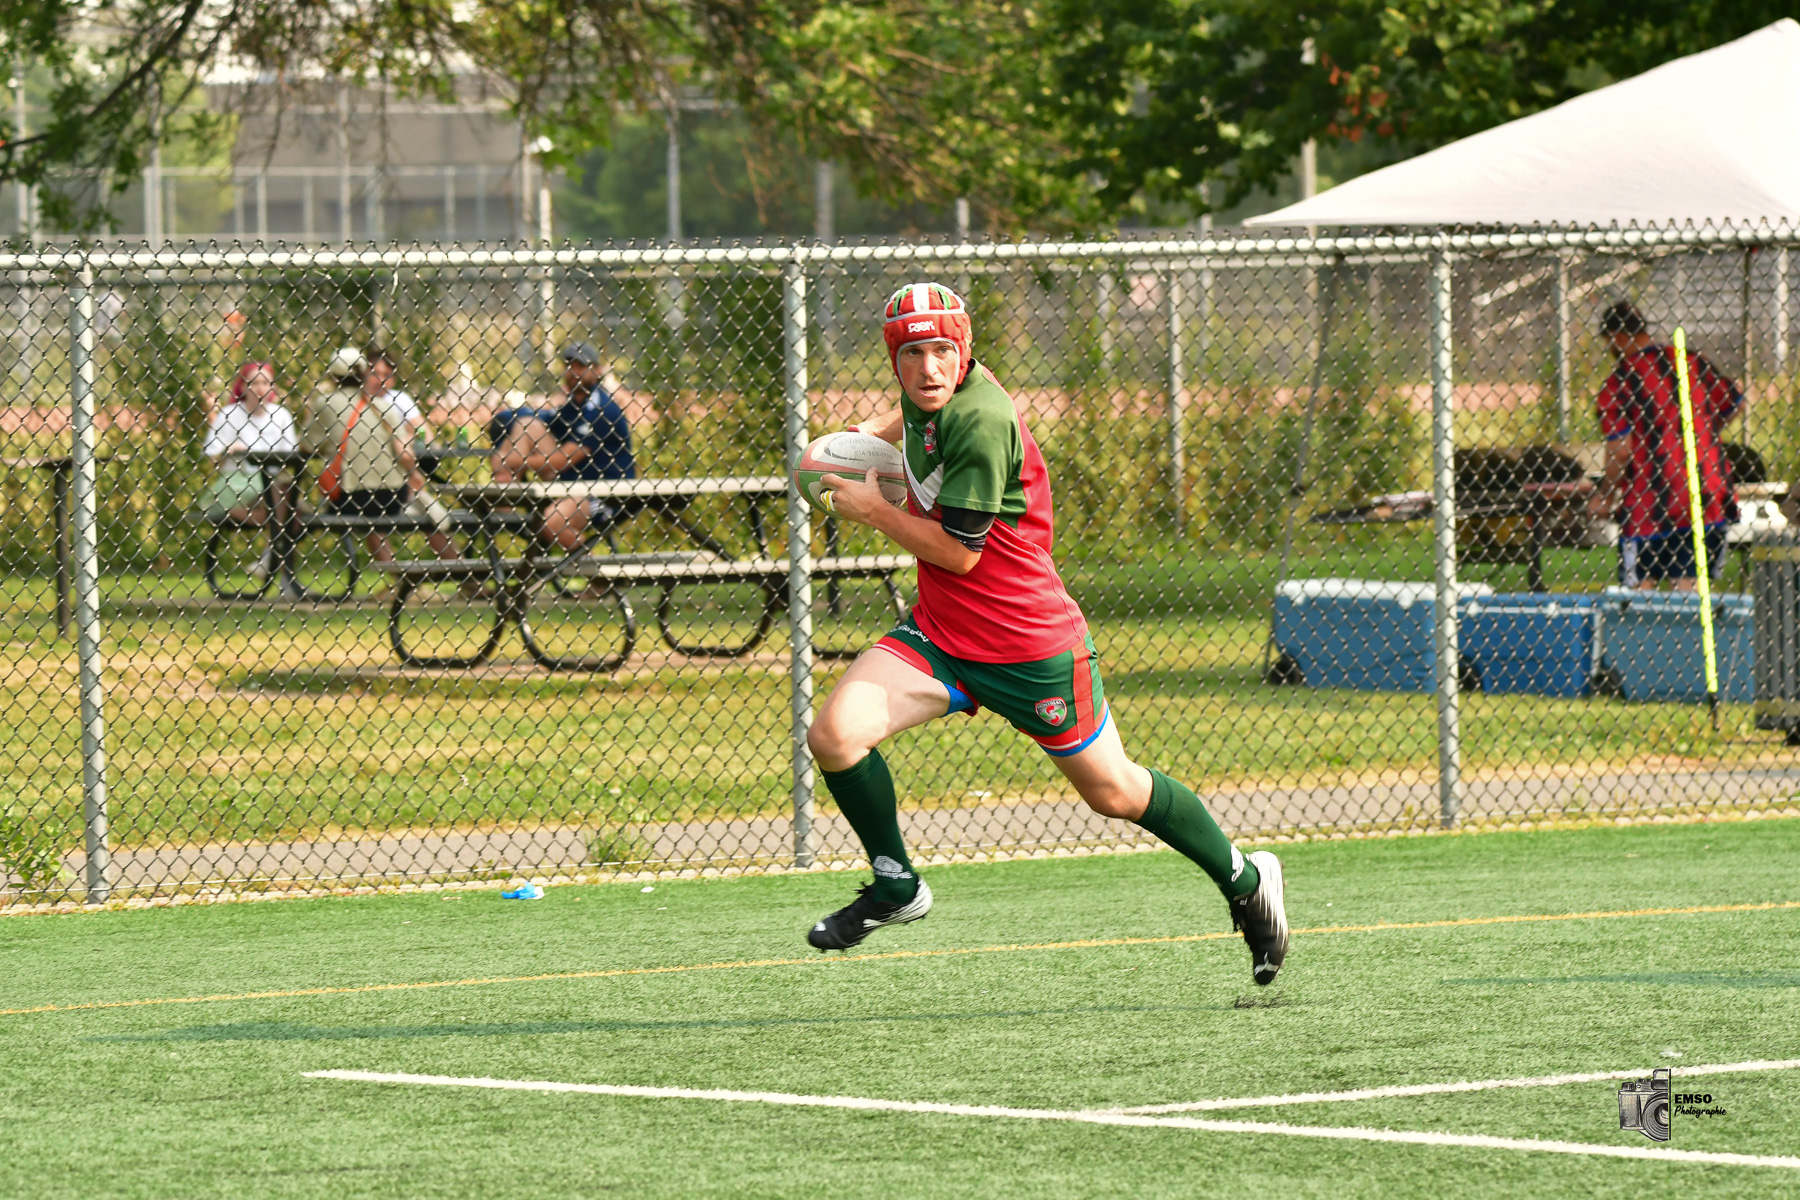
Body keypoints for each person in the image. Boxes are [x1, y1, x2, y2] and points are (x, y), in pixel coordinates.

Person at [805, 282, 1288, 986]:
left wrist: (870, 508)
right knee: (836, 737)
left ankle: (1246, 879)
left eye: (944, 351)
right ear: (895, 358)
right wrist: (849, 445)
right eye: (915, 353)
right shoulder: (931, 389)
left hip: (1029, 645)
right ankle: (896, 887)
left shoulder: (980, 420)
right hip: (943, 635)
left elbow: (959, 553)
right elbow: (905, 416)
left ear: (965, 352)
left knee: (1115, 793)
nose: (931, 368)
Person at [1588, 301, 1744, 590]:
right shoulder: (1690, 361)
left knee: (1638, 595)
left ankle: (1639, 628)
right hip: (1706, 490)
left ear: (1617, 336)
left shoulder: (1619, 381)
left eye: (1609, 340)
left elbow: (1621, 451)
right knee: (1690, 592)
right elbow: (1734, 401)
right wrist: (1699, 433)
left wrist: (1605, 494)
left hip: (1651, 501)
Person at [300, 347, 460, 569]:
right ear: (363, 373)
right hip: (392, 495)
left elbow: (306, 445)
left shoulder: (327, 403)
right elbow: (406, 450)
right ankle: (462, 573)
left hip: (351, 499)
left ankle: (401, 578)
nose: (381, 380)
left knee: (375, 513)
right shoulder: (383, 406)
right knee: (423, 508)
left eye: (386, 375)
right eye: (376, 373)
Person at [489, 341, 637, 551]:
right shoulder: (572, 405)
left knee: (553, 521)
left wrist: (514, 460)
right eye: (569, 365)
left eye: (581, 366)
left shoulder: (603, 408)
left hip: (604, 492)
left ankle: (600, 581)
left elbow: (564, 461)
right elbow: (539, 422)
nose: (574, 372)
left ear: (596, 370)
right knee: (528, 425)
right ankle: (506, 488)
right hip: (571, 486)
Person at [202, 361, 300, 593]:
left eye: (265, 382)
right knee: (292, 512)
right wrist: (230, 448)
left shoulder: (281, 415)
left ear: (272, 386)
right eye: (253, 382)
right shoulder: (229, 414)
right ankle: (277, 564)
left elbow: (292, 453)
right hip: (236, 483)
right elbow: (211, 454)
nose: (259, 388)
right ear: (243, 387)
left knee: (286, 497)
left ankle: (271, 558)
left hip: (273, 485)